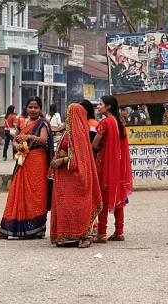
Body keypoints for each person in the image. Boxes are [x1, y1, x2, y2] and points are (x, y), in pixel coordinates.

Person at [0, 96, 54, 240]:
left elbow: (44, 140)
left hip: (38, 161)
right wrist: (17, 145)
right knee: (17, 191)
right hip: (24, 160)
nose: (33, 110)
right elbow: (16, 140)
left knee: (35, 194)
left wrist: (29, 137)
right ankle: (6, 229)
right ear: (26, 108)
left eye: (36, 107)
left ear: (40, 108)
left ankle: (34, 229)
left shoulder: (42, 123)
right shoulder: (24, 122)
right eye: (30, 107)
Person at [49, 103, 102, 248]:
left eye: (69, 112)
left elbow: (81, 157)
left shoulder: (78, 132)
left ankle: (86, 235)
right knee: (65, 206)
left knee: (79, 206)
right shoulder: (68, 130)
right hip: (64, 177)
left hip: (74, 176)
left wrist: (62, 160)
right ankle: (68, 235)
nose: (66, 115)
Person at [92, 95, 133, 243]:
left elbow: (95, 145)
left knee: (103, 196)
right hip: (118, 164)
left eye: (100, 104)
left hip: (105, 163)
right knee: (118, 195)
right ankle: (119, 231)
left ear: (108, 106)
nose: (98, 107)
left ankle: (102, 232)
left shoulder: (105, 123)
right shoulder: (120, 122)